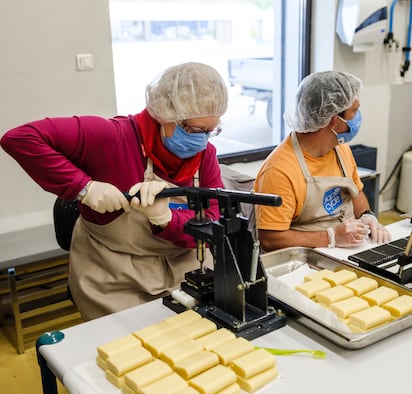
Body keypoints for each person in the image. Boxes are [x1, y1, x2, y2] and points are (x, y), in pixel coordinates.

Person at [1, 62, 228, 320]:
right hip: (115, 278)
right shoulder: (114, 137)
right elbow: (20, 138)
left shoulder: (205, 155)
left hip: (183, 268)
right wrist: (84, 187)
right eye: (193, 130)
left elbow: (214, 224)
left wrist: (167, 219)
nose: (201, 140)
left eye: (210, 131)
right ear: (164, 114)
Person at [254, 70, 391, 252]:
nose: (358, 117)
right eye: (354, 111)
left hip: (350, 248)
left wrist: (367, 216)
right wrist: (331, 237)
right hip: (306, 258)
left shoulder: (340, 148)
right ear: (334, 120)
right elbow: (270, 239)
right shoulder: (280, 171)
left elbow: (356, 193)